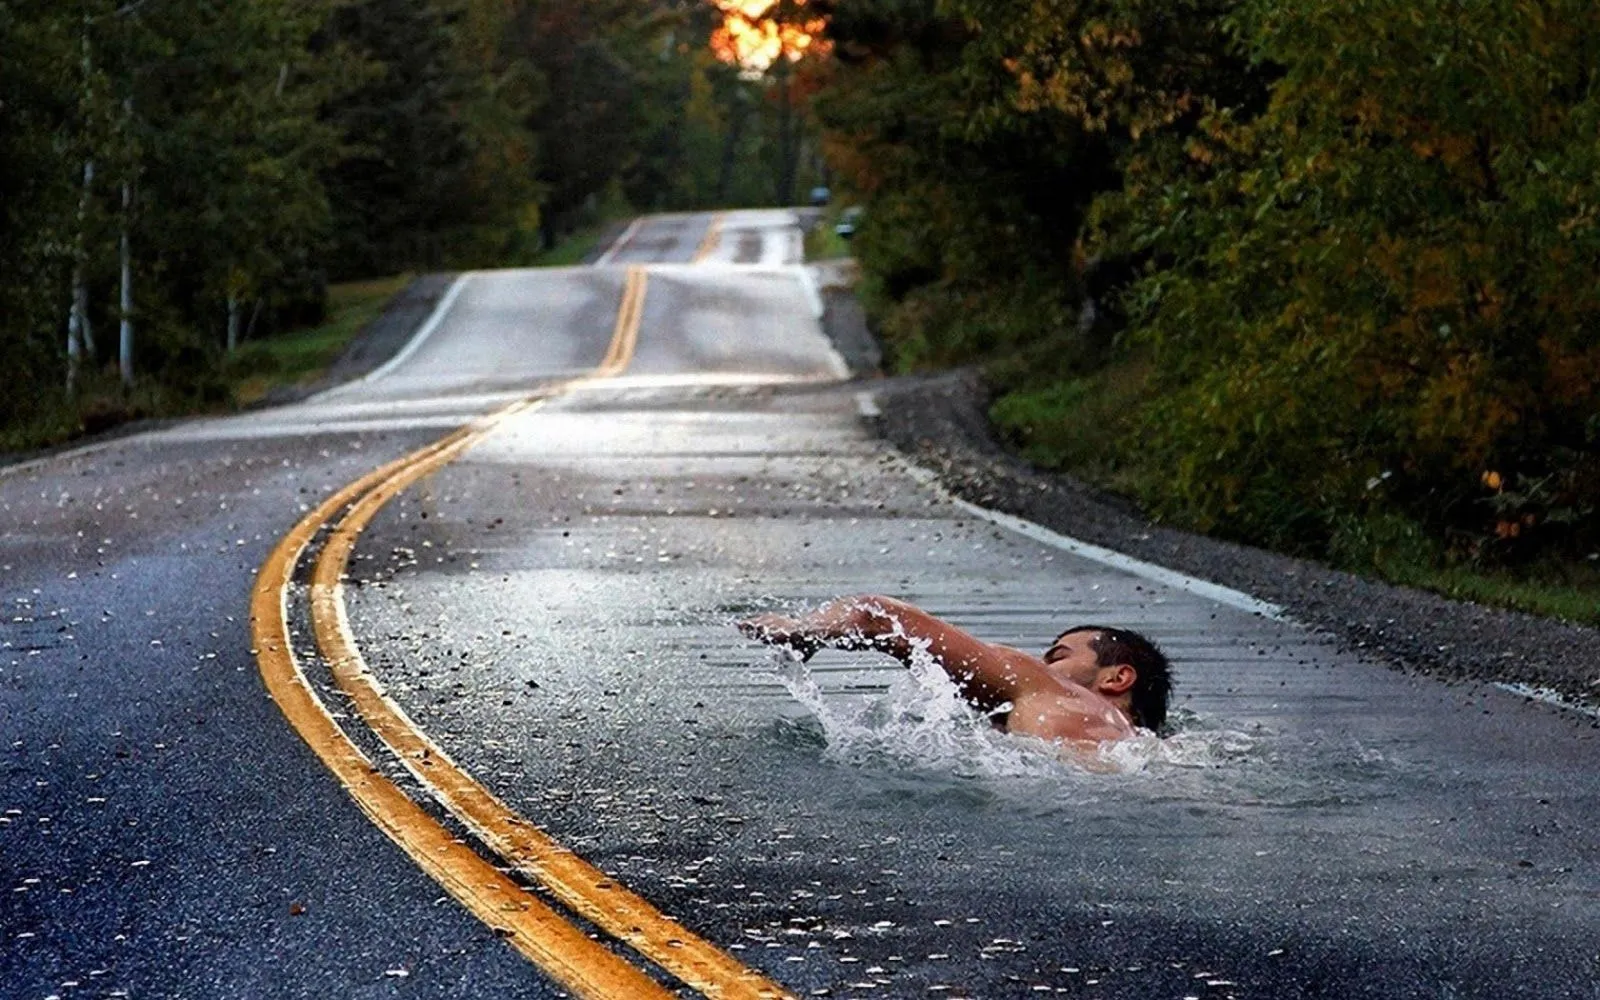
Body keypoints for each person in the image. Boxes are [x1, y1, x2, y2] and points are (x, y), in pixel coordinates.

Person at [738, 595, 1171, 745]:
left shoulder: (1044, 686)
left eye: (1058, 656)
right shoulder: (1148, 749)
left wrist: (802, 631)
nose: (1044, 666)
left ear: (1117, 677)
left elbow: (876, 614)